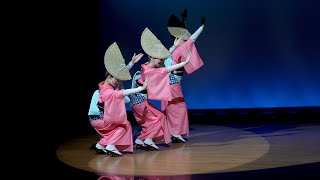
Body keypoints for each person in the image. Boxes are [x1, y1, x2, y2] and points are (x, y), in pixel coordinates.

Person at [128, 27, 192, 150]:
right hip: (140, 102)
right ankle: (147, 139)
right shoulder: (151, 71)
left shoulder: (145, 66)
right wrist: (184, 63)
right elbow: (168, 69)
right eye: (159, 59)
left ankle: (140, 139)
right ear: (152, 57)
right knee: (159, 118)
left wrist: (173, 47)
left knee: (150, 121)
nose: (161, 61)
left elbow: (165, 61)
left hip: (138, 102)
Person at [88, 42, 149, 157]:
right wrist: (141, 88)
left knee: (115, 128)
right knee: (124, 125)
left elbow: (118, 76)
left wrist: (131, 63)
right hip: (99, 119)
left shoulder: (104, 87)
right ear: (109, 77)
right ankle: (110, 144)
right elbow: (123, 92)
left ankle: (101, 145)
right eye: (116, 80)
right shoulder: (108, 91)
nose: (118, 81)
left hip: (96, 118)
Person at [161, 9, 206, 143]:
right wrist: (201, 28)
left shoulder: (172, 50)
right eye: (183, 37)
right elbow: (192, 39)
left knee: (172, 108)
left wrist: (184, 20)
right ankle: (175, 132)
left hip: (169, 83)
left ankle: (172, 132)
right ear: (178, 39)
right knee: (179, 108)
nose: (186, 38)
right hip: (173, 84)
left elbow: (183, 34)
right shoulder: (179, 49)